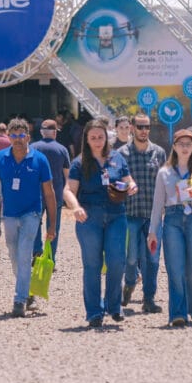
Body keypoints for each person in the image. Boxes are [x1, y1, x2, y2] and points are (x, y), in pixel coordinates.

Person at [64, 119, 138, 327]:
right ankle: (94, 312)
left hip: (116, 215)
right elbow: (68, 190)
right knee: (92, 265)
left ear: (107, 137)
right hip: (89, 217)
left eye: (100, 137)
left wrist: (132, 186)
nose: (97, 141)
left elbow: (129, 180)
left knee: (117, 262)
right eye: (93, 138)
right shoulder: (79, 163)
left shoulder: (117, 158)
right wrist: (75, 207)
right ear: (86, 140)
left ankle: (114, 306)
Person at [147, 129, 192, 327]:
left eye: (189, 144)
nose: (185, 147)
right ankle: (177, 313)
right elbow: (157, 204)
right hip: (172, 219)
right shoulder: (165, 172)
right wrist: (153, 231)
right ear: (174, 147)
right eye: (181, 144)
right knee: (175, 268)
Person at [0, 117, 57, 317]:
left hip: (32, 213)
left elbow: (49, 192)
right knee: (13, 254)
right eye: (14, 135)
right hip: (9, 214)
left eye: (21, 135)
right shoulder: (0, 158)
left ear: (28, 137)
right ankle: (27, 292)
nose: (18, 139)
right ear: (8, 137)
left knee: (25, 252)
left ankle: (19, 300)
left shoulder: (39, 159)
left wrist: (52, 224)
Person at [118, 113, 167, 313]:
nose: (144, 130)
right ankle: (130, 283)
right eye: (140, 127)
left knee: (152, 259)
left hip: (153, 215)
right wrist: (125, 187)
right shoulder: (122, 154)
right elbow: (115, 181)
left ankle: (149, 299)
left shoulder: (159, 153)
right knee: (130, 258)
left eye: (147, 127)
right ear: (132, 128)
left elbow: (165, 181)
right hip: (129, 213)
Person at [31, 118, 71, 263]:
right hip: (56, 193)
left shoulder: (33, 148)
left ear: (42, 132)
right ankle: (50, 257)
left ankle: (37, 251)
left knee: (34, 223)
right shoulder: (62, 149)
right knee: (54, 226)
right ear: (54, 132)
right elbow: (67, 174)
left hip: (36, 193)